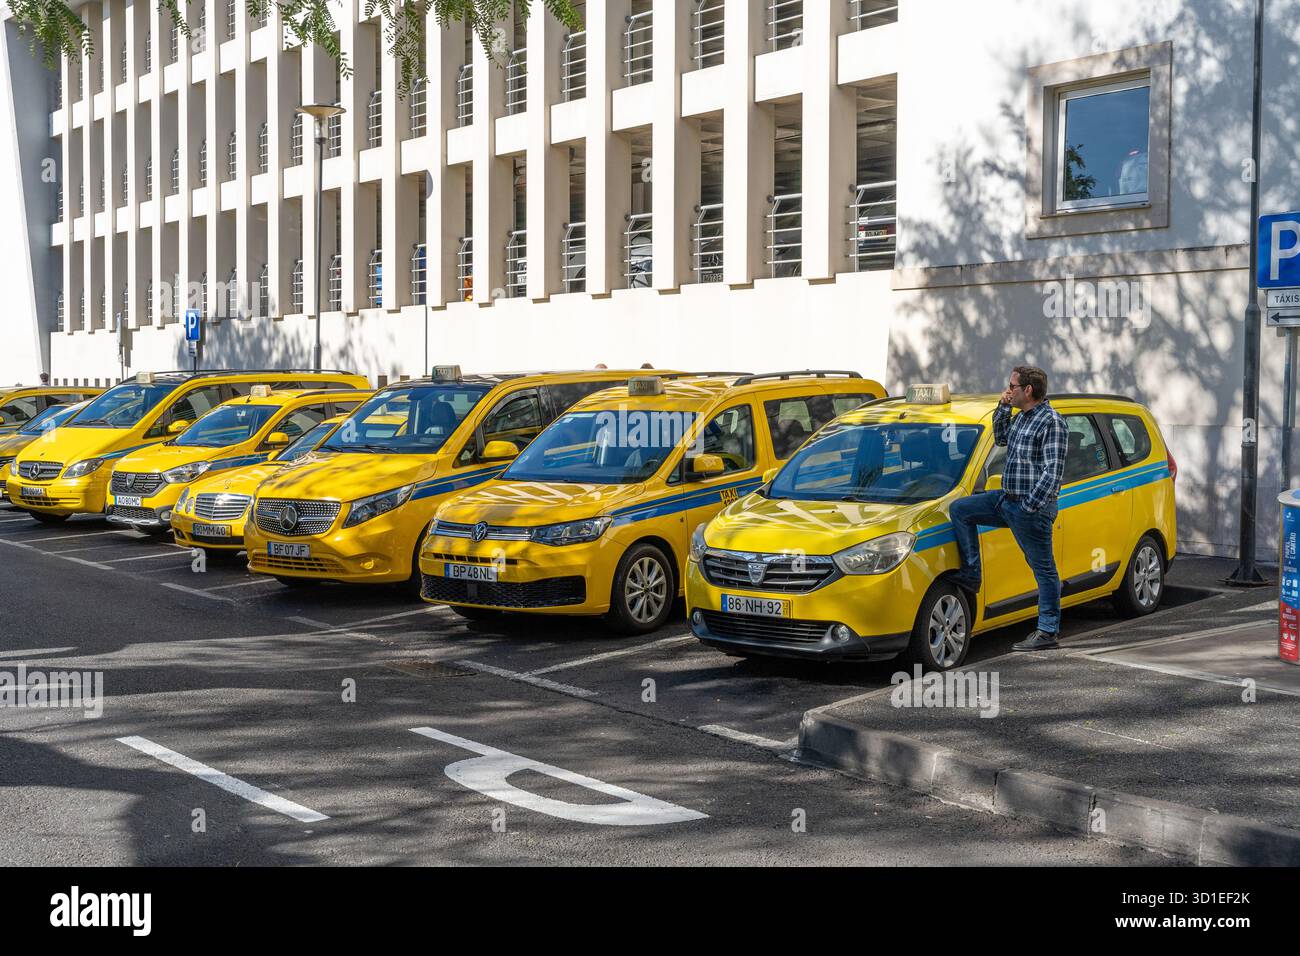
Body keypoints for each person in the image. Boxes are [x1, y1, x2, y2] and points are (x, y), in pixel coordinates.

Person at [949, 366, 1068, 651]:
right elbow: (1001, 437)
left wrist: (1028, 507)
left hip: (1030, 507)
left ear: (1028, 390)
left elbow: (1053, 473)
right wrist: (1002, 407)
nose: (1008, 389)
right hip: (1006, 499)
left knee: (1044, 570)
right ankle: (972, 575)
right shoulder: (1022, 417)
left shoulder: (1051, 422)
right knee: (961, 510)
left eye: (1012, 386)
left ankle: (1047, 632)